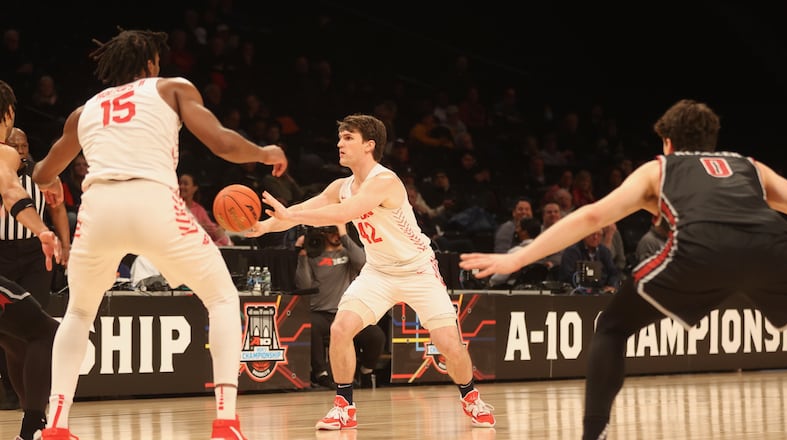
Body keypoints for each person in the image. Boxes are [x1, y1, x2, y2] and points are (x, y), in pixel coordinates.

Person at [458, 98, 787, 439]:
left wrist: (516, 259)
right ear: (711, 142)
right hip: (773, 247)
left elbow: (592, 216)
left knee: (612, 329)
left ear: (668, 143)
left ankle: (594, 433)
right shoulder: (750, 166)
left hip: (699, 249)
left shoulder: (659, 168)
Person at [30, 29, 288, 440]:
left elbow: (44, 171)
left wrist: (45, 182)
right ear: (151, 63)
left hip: (98, 210)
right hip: (152, 201)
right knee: (221, 297)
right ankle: (225, 422)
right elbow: (222, 142)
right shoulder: (171, 87)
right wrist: (264, 152)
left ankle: (57, 426)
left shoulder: (85, 110)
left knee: (78, 312)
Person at [246, 113, 495, 430]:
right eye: (340, 137)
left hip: (417, 270)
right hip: (378, 271)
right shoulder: (342, 185)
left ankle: (470, 397)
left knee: (448, 343)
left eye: (348, 137)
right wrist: (263, 225)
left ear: (369, 145)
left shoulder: (385, 181)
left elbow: (344, 212)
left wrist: (294, 214)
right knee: (340, 329)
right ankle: (343, 406)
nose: (339, 143)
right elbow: (298, 211)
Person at [0, 80, 63, 440]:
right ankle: (33, 427)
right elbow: (11, 191)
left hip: (24, 260)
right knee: (46, 331)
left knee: (12, 338)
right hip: (9, 253)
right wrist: (42, 230)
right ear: (8, 113)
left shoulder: (30, 168)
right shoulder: (3, 154)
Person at [293, 223, 385, 389]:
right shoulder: (314, 254)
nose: (336, 236)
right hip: (321, 313)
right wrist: (302, 255)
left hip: (347, 313)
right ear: (324, 233)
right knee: (310, 326)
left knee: (376, 335)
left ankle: (366, 371)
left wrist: (344, 234)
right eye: (333, 232)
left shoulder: (348, 253)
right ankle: (321, 374)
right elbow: (304, 285)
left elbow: (363, 262)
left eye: (339, 233)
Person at [178, 172, 231, 246]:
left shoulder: (199, 210)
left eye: (185, 184)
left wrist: (220, 230)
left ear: (195, 188)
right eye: (180, 183)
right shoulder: (173, 205)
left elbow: (216, 234)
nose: (181, 187)